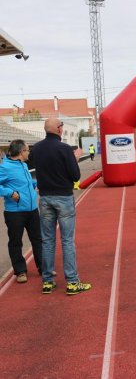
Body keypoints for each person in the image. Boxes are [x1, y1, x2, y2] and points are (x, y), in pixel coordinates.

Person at [30, 118, 91, 295]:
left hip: (45, 198)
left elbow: (36, 168)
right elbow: (75, 176)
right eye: (62, 126)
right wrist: (75, 158)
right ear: (58, 129)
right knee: (67, 240)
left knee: (47, 240)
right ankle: (72, 282)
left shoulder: (37, 149)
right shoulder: (64, 149)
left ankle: (47, 281)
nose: (63, 129)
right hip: (63, 197)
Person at [0, 140, 42, 283]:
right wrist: (9, 192)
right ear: (20, 152)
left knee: (38, 240)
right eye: (27, 150)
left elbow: (27, 182)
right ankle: (20, 271)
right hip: (14, 212)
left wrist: (36, 184)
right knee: (16, 242)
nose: (28, 152)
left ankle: (43, 268)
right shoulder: (5, 167)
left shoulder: (24, 165)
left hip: (32, 210)